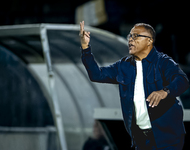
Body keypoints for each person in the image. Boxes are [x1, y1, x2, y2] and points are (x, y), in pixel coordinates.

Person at [79, 21, 189, 150]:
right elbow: (97, 75)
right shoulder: (124, 66)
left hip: (166, 138)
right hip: (141, 139)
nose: (131, 40)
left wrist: (165, 91)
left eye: (136, 36)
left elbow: (182, 80)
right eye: (130, 36)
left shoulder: (163, 62)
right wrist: (85, 48)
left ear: (149, 41)